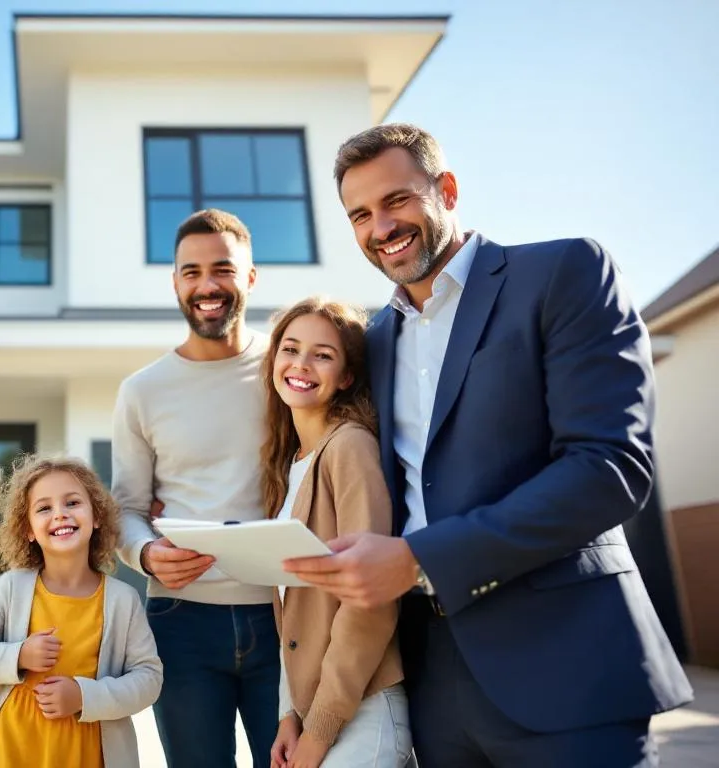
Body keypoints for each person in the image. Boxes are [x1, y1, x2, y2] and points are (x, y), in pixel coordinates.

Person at [282, 122, 694, 766]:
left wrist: (419, 558)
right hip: (434, 687)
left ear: (445, 189)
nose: (380, 227)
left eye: (397, 201)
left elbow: (610, 467)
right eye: (360, 214)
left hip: (568, 668)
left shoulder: (563, 272)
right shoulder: (376, 340)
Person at [113, 208, 282, 768]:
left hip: (286, 618)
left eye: (223, 269)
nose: (207, 285)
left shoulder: (288, 370)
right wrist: (147, 553)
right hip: (181, 622)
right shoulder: (142, 391)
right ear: (176, 283)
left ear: (251, 276)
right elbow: (126, 508)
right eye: (191, 272)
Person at [259, 297, 410, 768]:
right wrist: (290, 715)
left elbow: (369, 601)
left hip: (362, 710)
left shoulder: (350, 447)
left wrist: (318, 732)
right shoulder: (287, 468)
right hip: (314, 714)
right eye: (290, 348)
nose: (301, 364)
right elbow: (293, 609)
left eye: (322, 354)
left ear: (346, 376)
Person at [0, 454, 162, 768]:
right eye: (44, 508)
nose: (60, 515)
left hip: (87, 753)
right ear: (29, 530)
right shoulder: (12, 588)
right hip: (13, 750)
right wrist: (19, 655)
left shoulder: (123, 600)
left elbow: (148, 678)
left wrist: (84, 696)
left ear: (97, 516)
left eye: (73, 503)